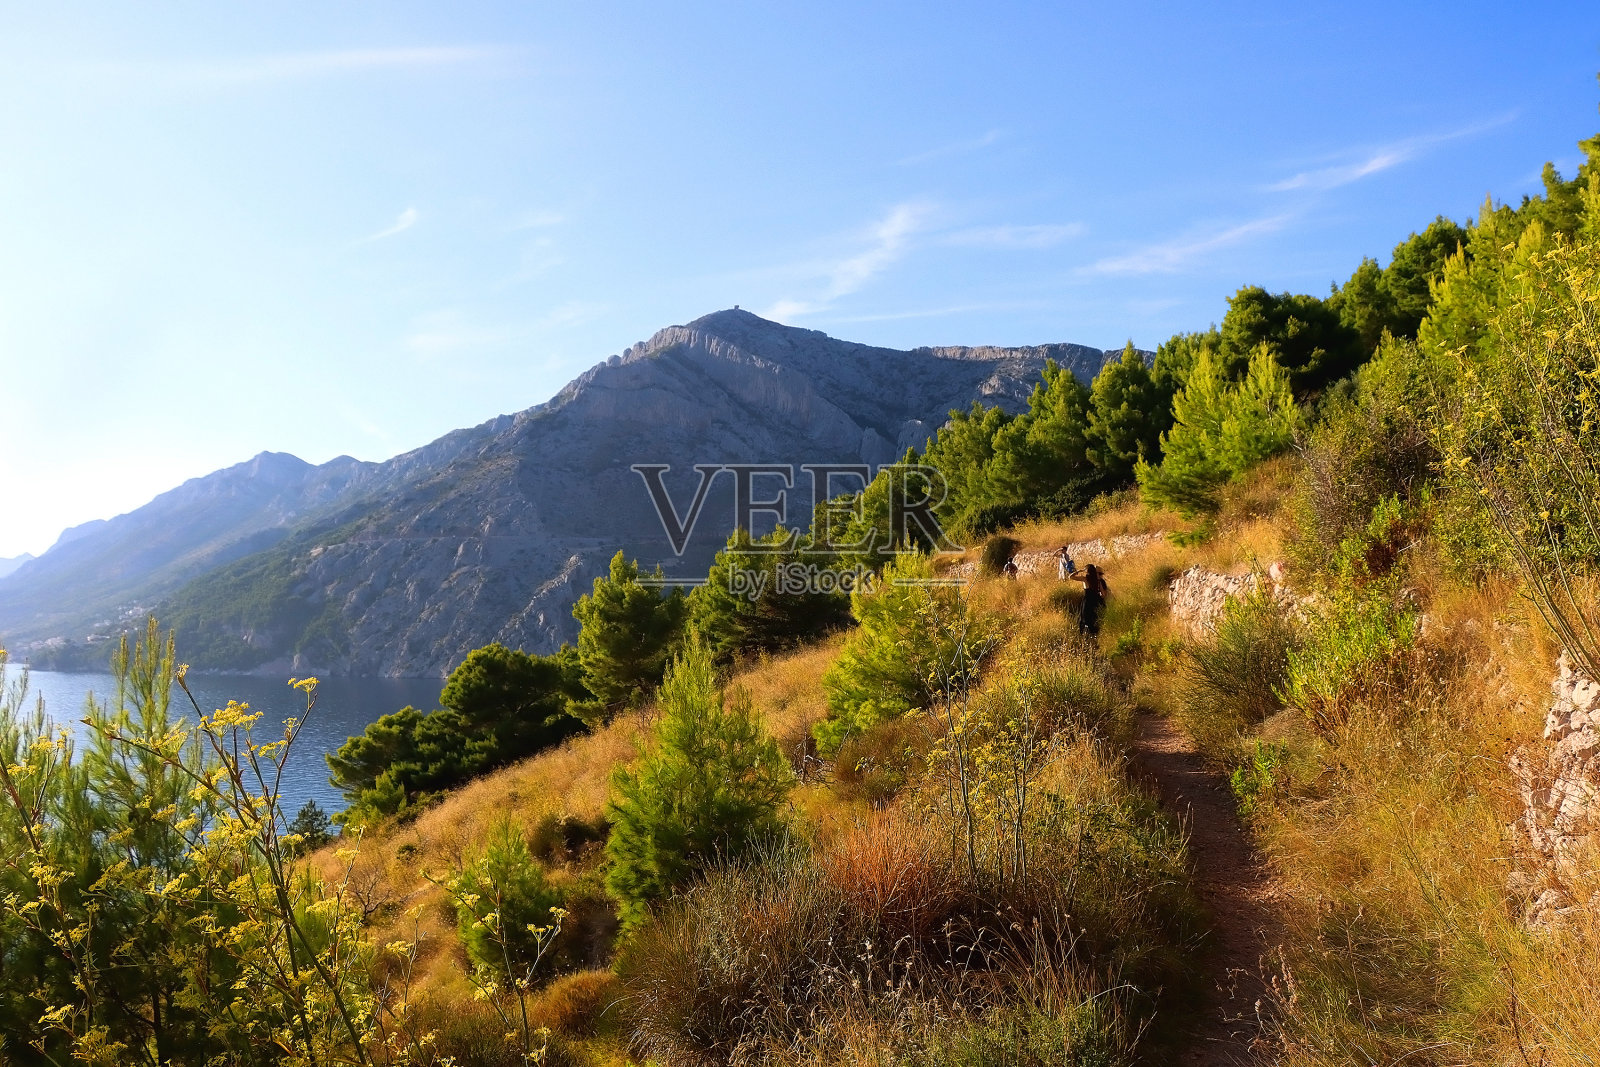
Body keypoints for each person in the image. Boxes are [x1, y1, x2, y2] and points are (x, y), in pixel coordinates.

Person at [1070, 563, 1109, 636]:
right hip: (1096, 601)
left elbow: (1071, 577)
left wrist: (1079, 571)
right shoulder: (1098, 581)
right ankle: (1096, 635)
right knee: (1095, 619)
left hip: (1088, 601)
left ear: (1087, 571)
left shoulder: (1085, 579)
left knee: (1085, 618)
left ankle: (1085, 635)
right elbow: (1103, 594)